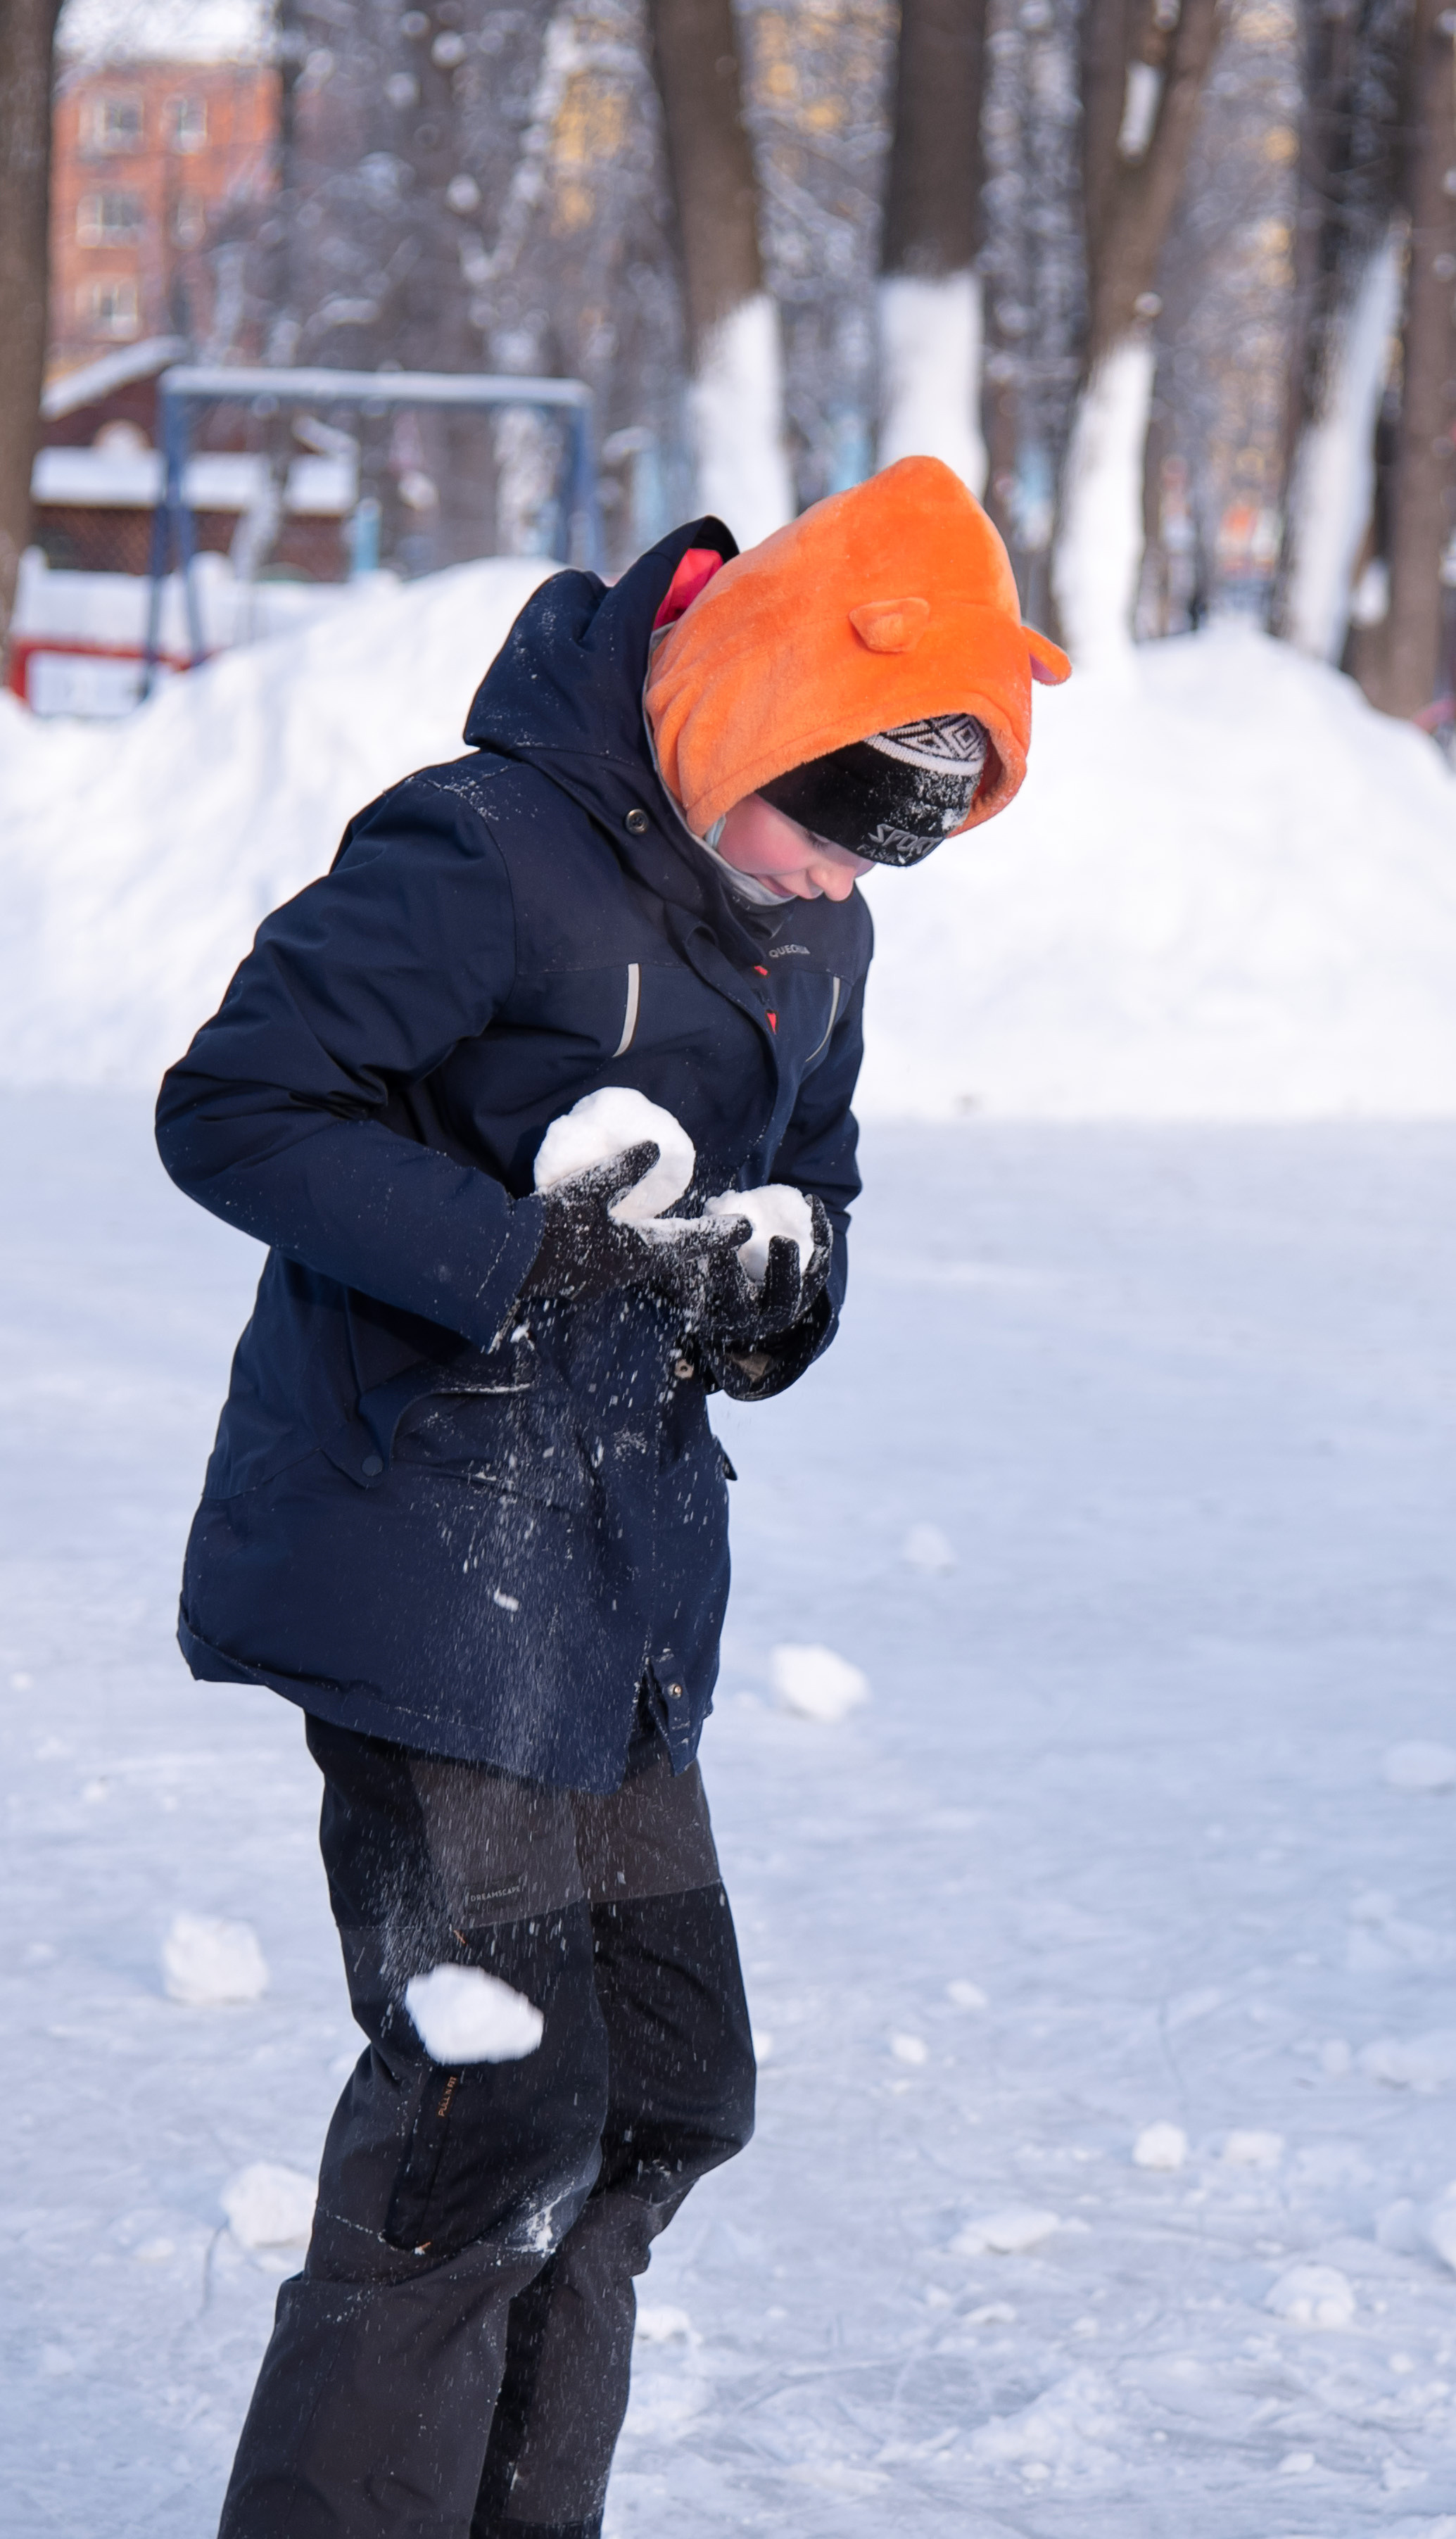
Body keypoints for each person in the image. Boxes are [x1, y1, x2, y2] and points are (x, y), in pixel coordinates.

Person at [156, 455, 1068, 2538]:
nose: (848, 887)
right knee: (496, 2100)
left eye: (896, 857)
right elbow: (233, 1107)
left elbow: (815, 1175)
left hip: (618, 1580)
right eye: (831, 829)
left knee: (660, 2090)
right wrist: (528, 1247)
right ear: (745, 714)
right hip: (416, 1553)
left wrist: (776, 1283)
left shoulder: (813, 936)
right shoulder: (482, 853)